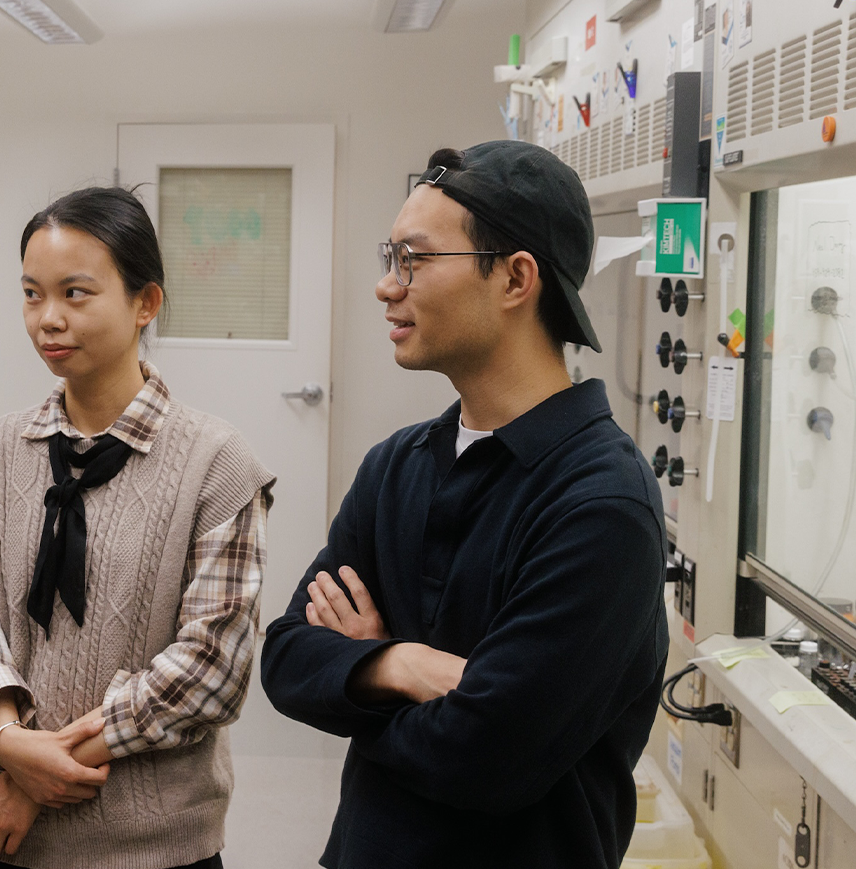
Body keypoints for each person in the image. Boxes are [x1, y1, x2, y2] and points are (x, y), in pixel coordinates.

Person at [260, 141, 668, 868]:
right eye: (389, 258)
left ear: (515, 278)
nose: (387, 287)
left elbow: (487, 758)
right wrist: (407, 667)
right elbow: (288, 661)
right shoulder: (397, 466)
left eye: (413, 260)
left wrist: (357, 672)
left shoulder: (601, 505)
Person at [0, 187, 276, 869]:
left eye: (76, 293)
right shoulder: (1, 451)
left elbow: (211, 669)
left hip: (149, 846)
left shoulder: (217, 463)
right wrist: (5, 740)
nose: (48, 320)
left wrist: (42, 776)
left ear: (145, 302)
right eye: (32, 294)